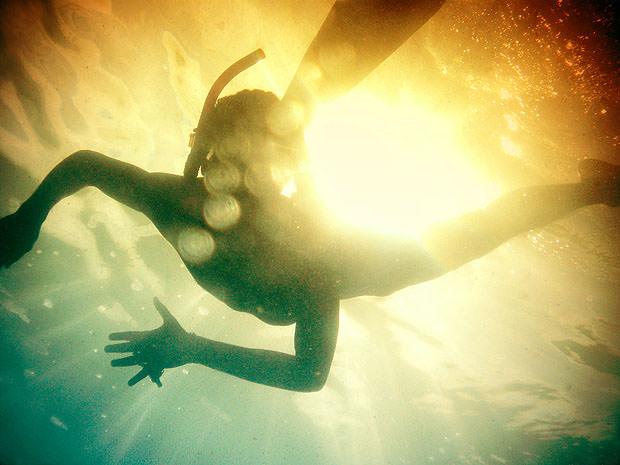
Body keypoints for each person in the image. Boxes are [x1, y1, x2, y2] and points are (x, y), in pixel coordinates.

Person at [0, 85, 618, 391]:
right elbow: (85, 163)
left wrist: (194, 348)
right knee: (483, 228)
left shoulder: (316, 256)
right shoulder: (175, 199)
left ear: (290, 170)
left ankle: (594, 188)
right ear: (209, 155)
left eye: (265, 161)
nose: (243, 178)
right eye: (231, 156)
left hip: (376, 260)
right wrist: (27, 221)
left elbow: (308, 375)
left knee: (481, 229)